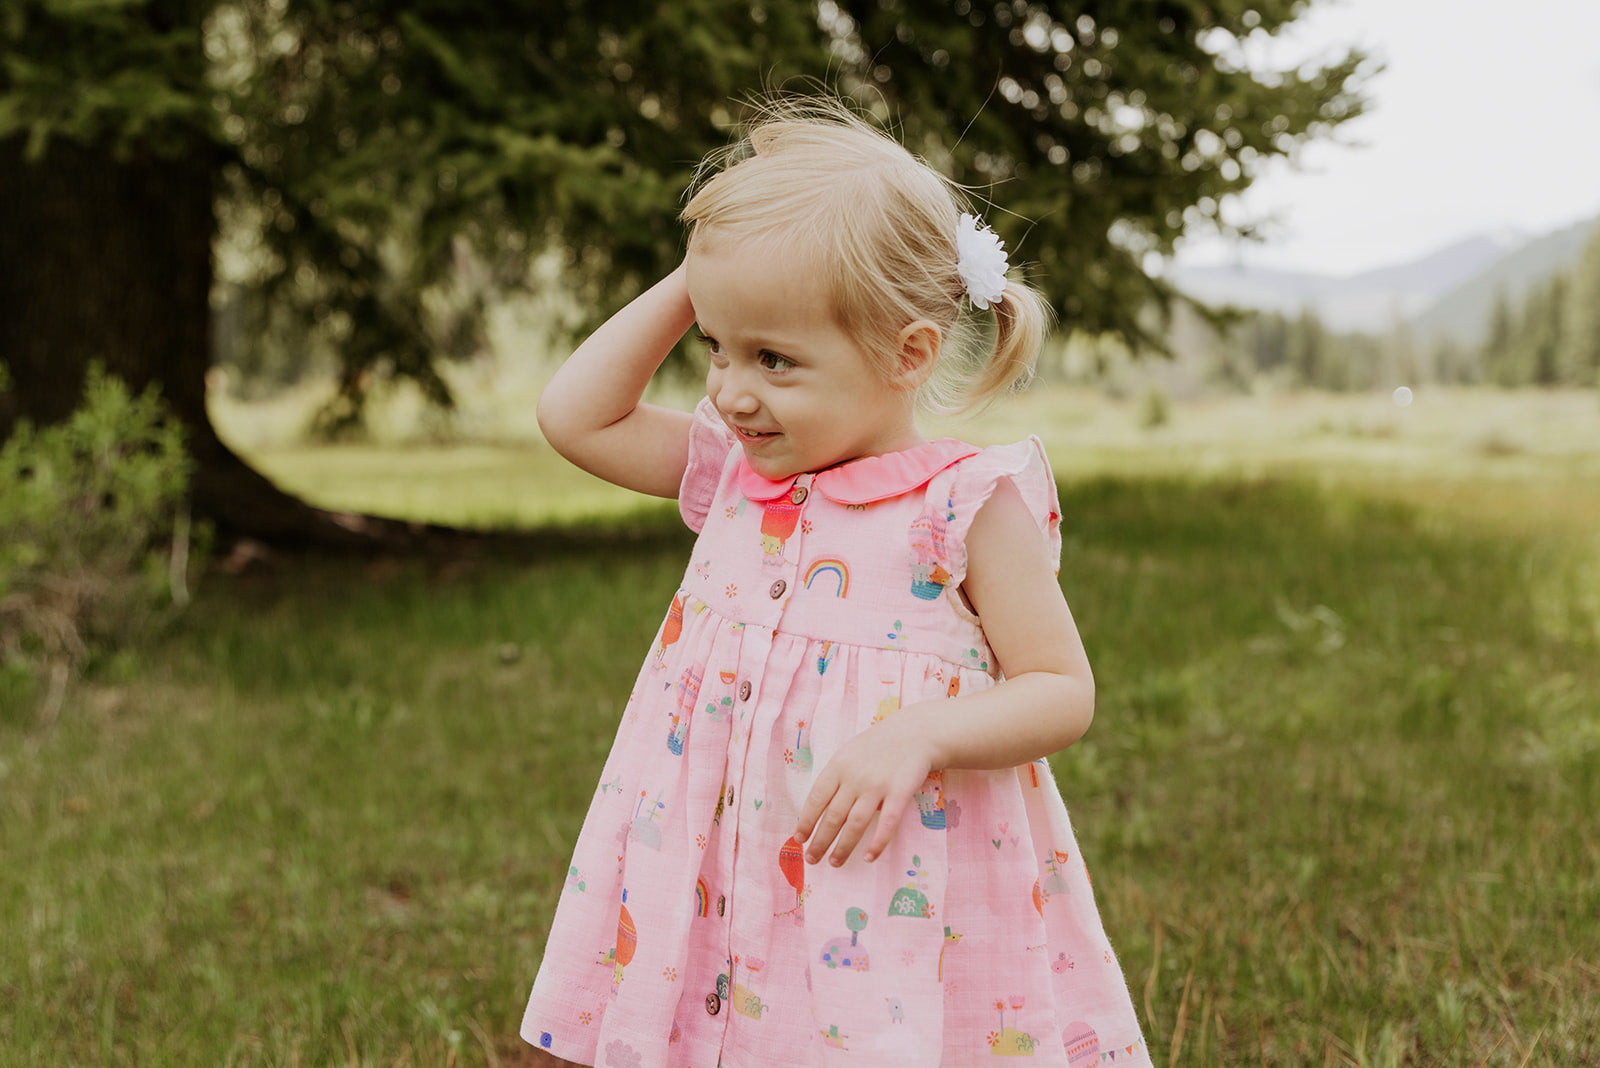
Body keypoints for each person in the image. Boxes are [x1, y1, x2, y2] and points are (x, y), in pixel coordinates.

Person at [520, 96, 1150, 1067]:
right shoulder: (737, 471)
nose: (731, 390)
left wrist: (919, 733)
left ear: (907, 353)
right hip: (725, 869)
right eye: (718, 348)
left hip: (885, 876)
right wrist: (704, 278)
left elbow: (1060, 689)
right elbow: (574, 417)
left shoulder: (965, 504)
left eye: (774, 358)